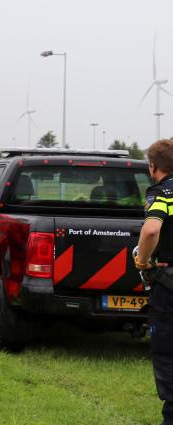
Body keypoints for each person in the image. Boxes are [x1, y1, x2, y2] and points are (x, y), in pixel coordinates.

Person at [134, 139, 173, 425]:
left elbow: (150, 231)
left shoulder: (162, 193)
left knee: (168, 354)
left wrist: (142, 260)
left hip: (169, 288)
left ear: (153, 166)